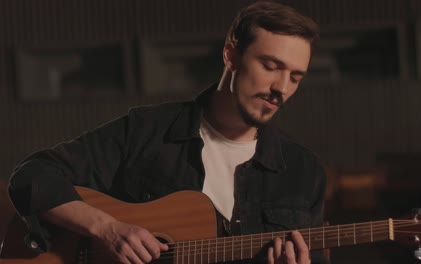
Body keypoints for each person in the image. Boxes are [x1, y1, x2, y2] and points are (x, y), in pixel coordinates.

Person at [8, 1, 326, 263]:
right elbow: (32, 177)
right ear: (231, 55)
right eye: (270, 66)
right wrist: (106, 228)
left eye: (295, 77)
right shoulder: (148, 131)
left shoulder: (304, 171)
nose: (281, 88)